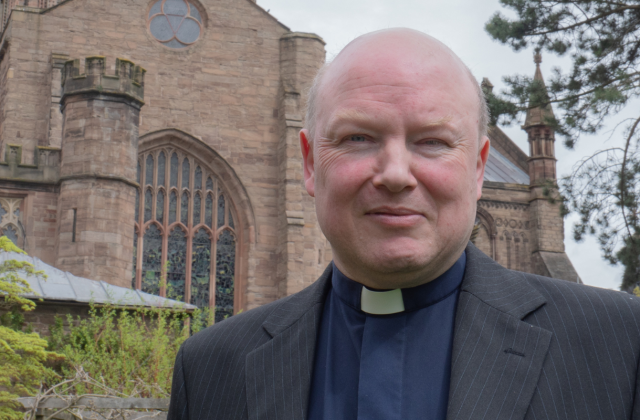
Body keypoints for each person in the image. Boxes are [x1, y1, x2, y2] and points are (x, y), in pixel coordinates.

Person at [167, 29, 640, 420]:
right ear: (310, 164)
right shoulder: (210, 367)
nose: (394, 174)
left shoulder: (618, 344)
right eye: (358, 137)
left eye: (431, 141)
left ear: (478, 169)